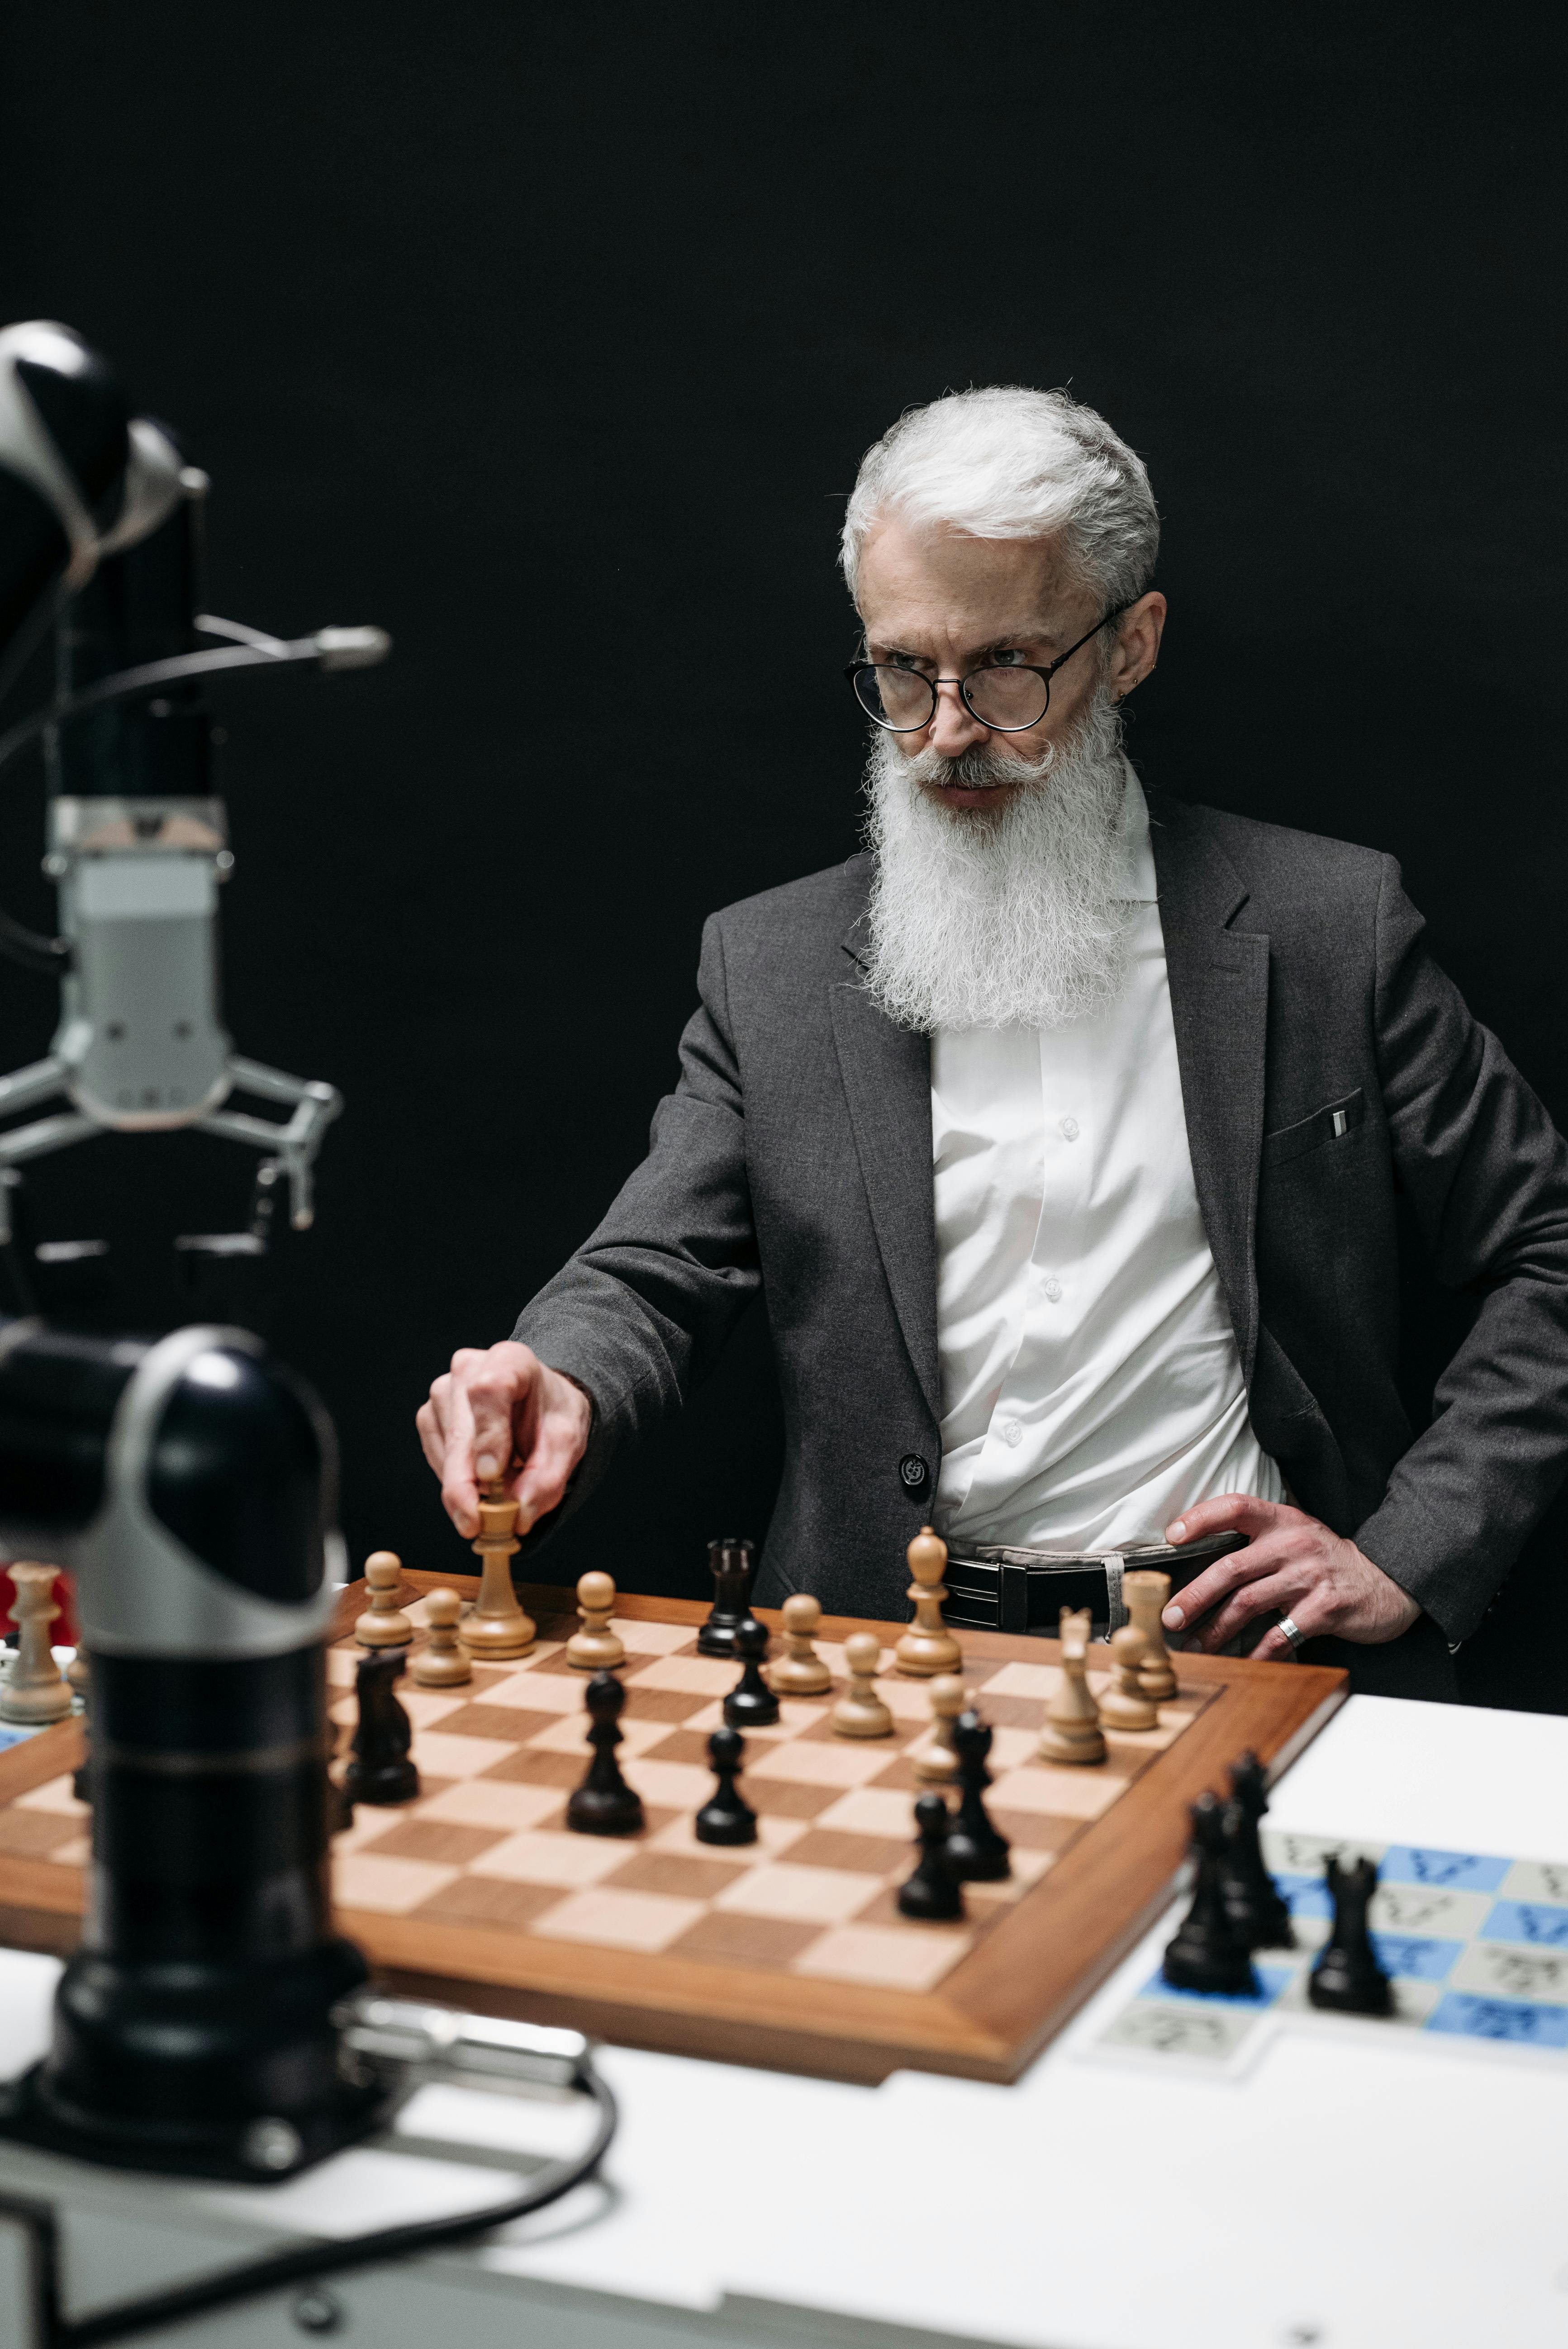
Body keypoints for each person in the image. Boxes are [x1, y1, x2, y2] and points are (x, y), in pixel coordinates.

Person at [418, 387, 1568, 1698]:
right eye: (903, 670)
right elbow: (649, 1268)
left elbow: (1549, 1251)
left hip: (1232, 1654)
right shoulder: (772, 964)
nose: (947, 732)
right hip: (875, 1657)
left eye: (1008, 663)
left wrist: (1409, 1552)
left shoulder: (1328, 930)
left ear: (1129, 644)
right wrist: (551, 1369)